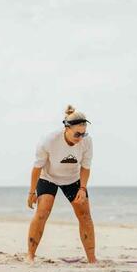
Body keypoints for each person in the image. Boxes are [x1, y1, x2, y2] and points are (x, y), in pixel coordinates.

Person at [26, 105, 95, 263]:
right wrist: (31, 192)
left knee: (85, 216)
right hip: (48, 177)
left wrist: (83, 188)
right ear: (67, 129)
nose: (80, 138)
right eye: (77, 134)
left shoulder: (87, 141)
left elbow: (85, 167)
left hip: (73, 179)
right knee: (42, 212)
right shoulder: (49, 140)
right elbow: (37, 168)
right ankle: (30, 256)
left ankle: (92, 260)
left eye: (83, 134)